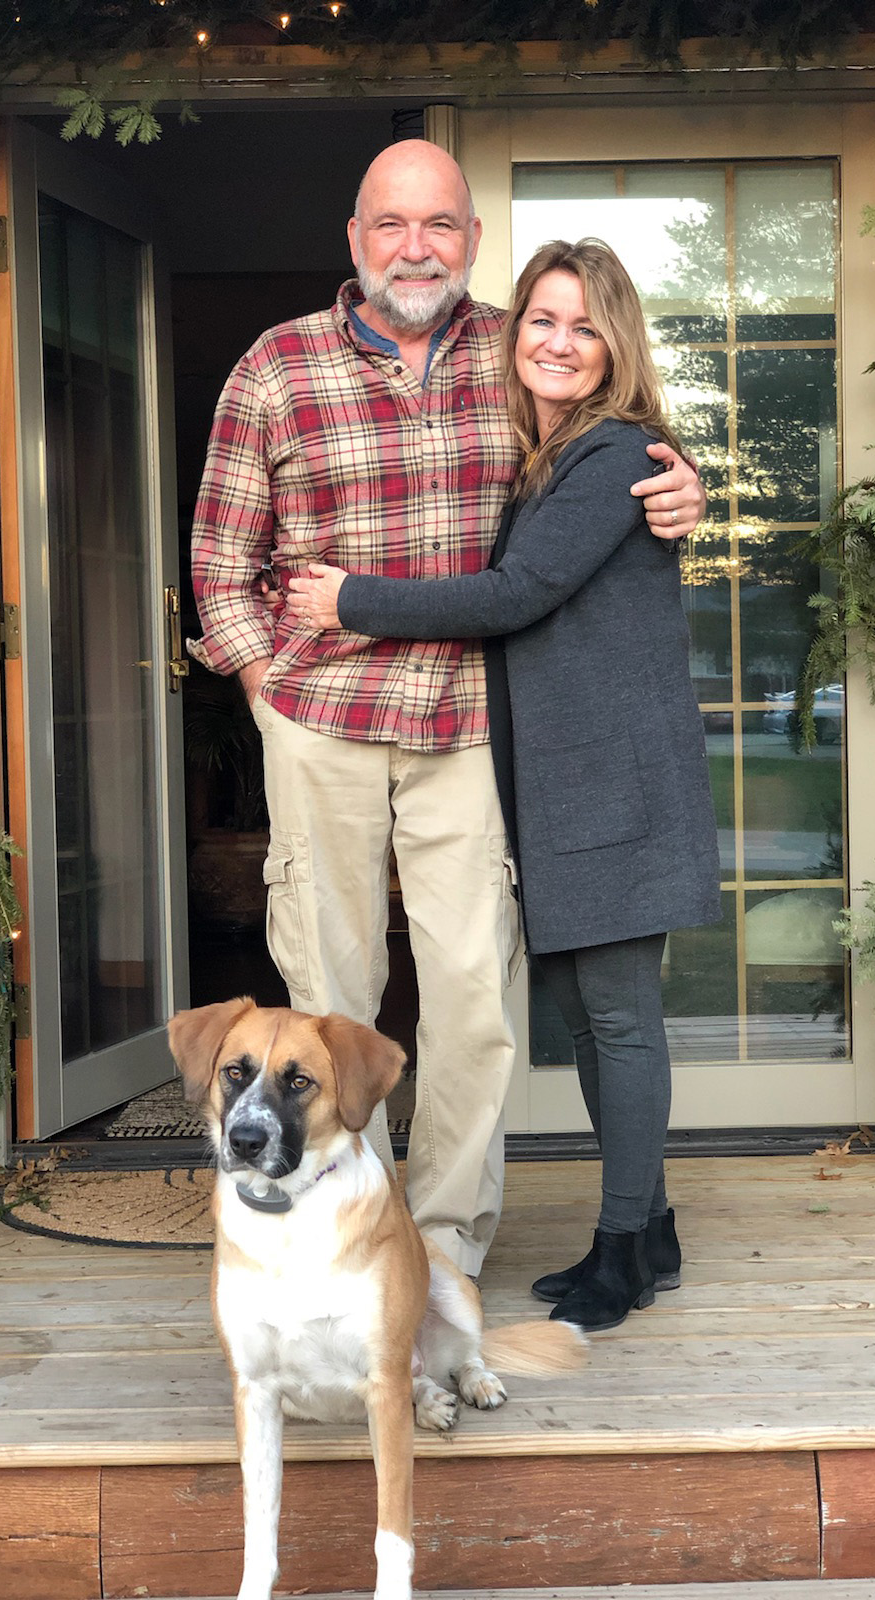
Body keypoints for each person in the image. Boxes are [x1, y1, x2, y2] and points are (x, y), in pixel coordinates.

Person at [189, 142, 705, 1277]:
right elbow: (221, 564)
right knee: (327, 1009)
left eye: (438, 225)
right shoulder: (274, 368)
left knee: (474, 1004)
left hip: (469, 728)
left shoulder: (516, 356)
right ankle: (332, 1239)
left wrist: (681, 482)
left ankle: (448, 1249)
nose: (414, 247)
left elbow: (609, 436)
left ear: (471, 240)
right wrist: (265, 692)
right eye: (390, 224)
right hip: (320, 723)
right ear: (354, 239)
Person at [286, 238, 720, 1331]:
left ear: (616, 343)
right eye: (542, 321)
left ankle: (623, 1246)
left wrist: (353, 601)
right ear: (510, 331)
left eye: (584, 325)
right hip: (573, 786)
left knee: (616, 1018)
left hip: (614, 784)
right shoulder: (559, 454)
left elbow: (516, 592)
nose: (559, 342)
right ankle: (651, 1225)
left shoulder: (617, 451)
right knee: (585, 1011)